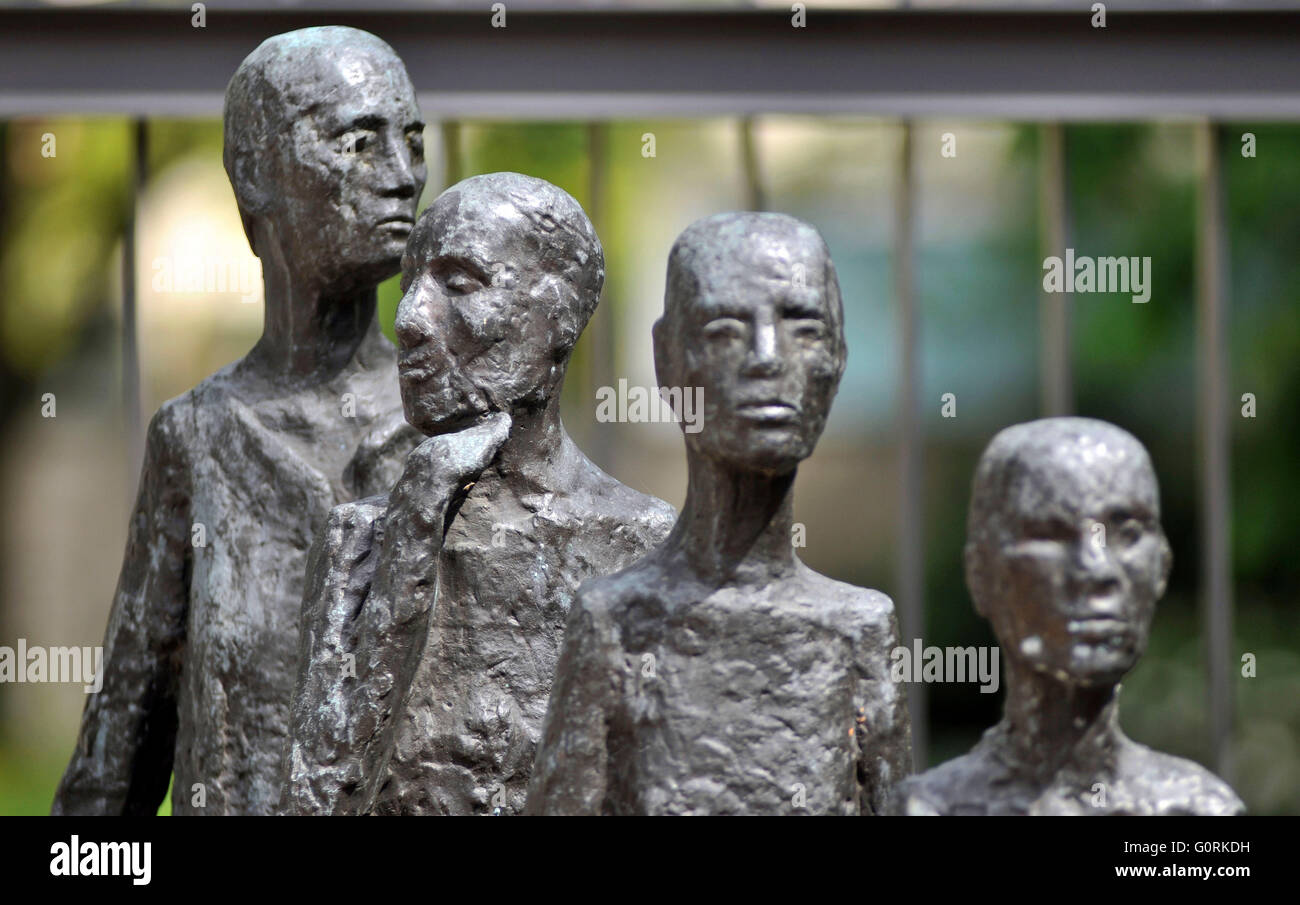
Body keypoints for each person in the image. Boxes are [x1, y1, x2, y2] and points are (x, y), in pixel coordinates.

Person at [53, 26, 426, 815]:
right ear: (256, 174)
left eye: (412, 139)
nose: (403, 176)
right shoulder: (196, 437)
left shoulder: (451, 425)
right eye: (361, 142)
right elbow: (117, 755)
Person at [280, 172, 676, 816]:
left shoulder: (645, 545)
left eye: (459, 285)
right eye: (409, 285)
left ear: (559, 316)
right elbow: (317, 800)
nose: (409, 320)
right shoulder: (362, 541)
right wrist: (411, 535)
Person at [525, 212, 912, 815]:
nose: (766, 359)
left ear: (839, 356)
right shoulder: (614, 624)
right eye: (726, 330)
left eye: (804, 329)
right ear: (667, 358)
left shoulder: (861, 629)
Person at [895, 417, 1244, 815]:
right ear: (981, 575)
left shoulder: (1196, 809)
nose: (1096, 571)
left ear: (1162, 567)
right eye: (1049, 534)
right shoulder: (928, 808)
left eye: (1127, 534)